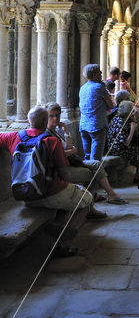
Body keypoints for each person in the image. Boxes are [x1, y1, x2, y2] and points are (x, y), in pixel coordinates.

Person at [0, 106, 93, 257]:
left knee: (67, 202)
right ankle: (64, 240)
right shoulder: (51, 140)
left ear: (29, 121)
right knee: (87, 199)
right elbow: (65, 174)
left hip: (26, 195)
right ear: (45, 121)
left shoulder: (14, 137)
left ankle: (58, 228)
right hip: (51, 192)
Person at [46, 103, 127, 205]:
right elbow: (59, 154)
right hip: (63, 169)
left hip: (71, 162)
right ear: (46, 118)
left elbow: (68, 147)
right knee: (93, 171)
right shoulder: (47, 134)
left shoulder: (56, 132)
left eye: (57, 115)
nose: (55, 118)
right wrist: (72, 151)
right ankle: (100, 196)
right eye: (51, 116)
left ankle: (100, 194)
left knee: (96, 164)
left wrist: (66, 132)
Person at [79, 64, 114, 160]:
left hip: (84, 125)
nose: (101, 73)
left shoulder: (83, 88)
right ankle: (96, 175)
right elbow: (111, 105)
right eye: (99, 71)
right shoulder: (99, 87)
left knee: (87, 156)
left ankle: (87, 175)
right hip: (97, 125)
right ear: (94, 74)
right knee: (96, 158)